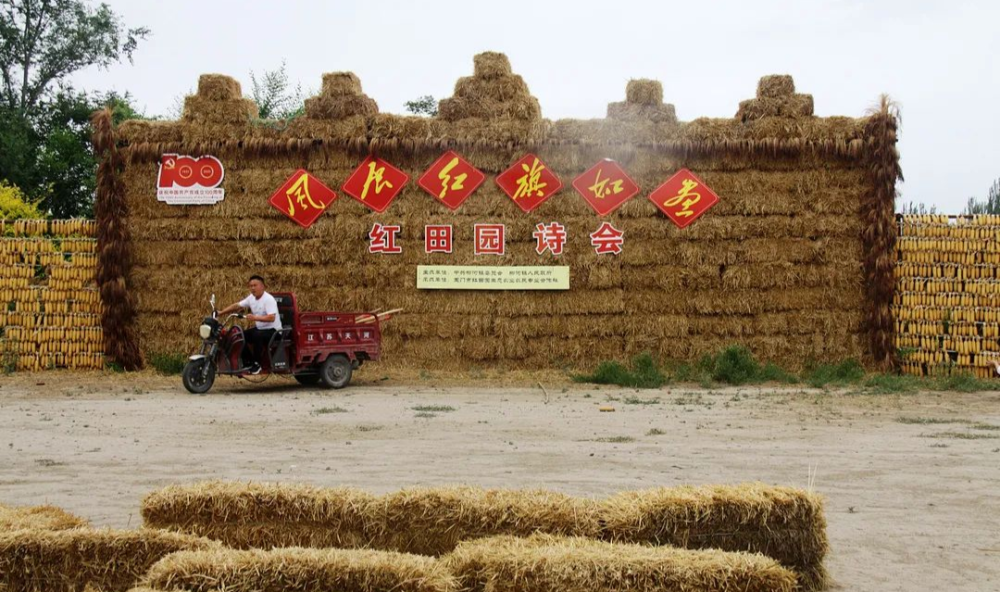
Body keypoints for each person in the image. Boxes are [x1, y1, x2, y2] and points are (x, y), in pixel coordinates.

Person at [217, 275, 282, 374]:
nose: (252, 288)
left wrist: (255, 318)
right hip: (260, 329)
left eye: (255, 285)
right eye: (250, 286)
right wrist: (221, 312)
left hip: (274, 331)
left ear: (262, 286)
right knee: (239, 336)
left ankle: (257, 364)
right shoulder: (251, 298)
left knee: (257, 336)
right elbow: (237, 305)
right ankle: (248, 362)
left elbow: (271, 318)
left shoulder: (268, 299)